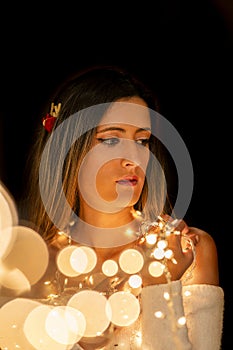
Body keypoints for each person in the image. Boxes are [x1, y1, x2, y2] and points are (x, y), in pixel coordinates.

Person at [22, 65, 224, 349]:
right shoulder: (38, 266)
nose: (134, 158)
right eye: (111, 140)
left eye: (142, 141)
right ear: (67, 150)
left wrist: (162, 285)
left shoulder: (187, 250)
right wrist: (149, 281)